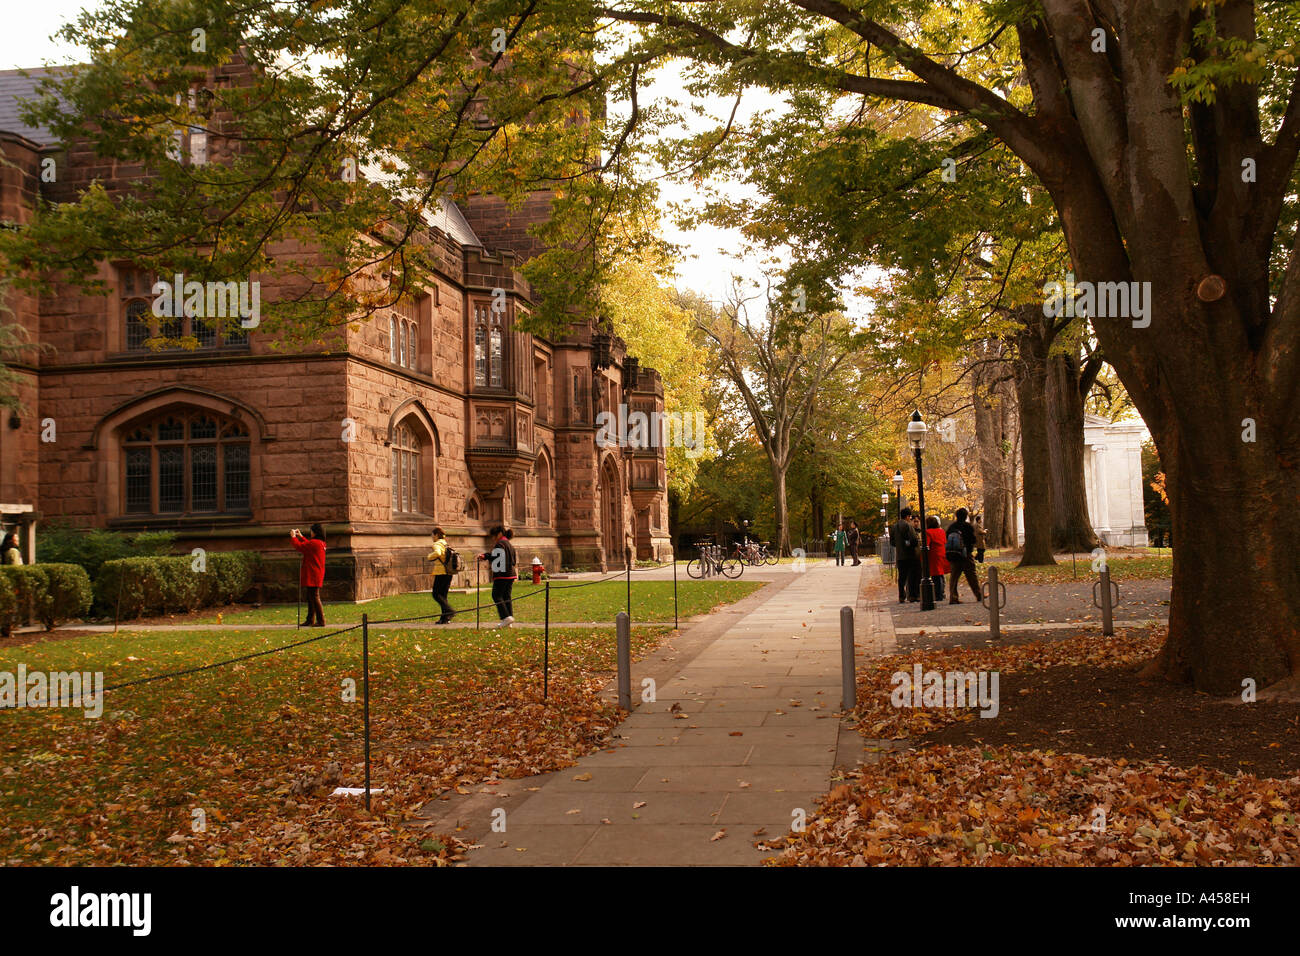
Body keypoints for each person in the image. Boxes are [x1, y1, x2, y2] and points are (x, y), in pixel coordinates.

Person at [478, 525, 516, 626]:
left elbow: (496, 557)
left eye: (494, 536)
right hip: (511, 574)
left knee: (496, 595)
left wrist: (485, 556)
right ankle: (509, 618)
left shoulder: (500, 544)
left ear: (499, 534)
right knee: (506, 596)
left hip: (501, 574)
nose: (493, 538)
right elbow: (514, 560)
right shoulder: (509, 544)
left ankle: (505, 617)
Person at [290, 523, 327, 626]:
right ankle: (310, 619)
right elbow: (308, 545)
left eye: (311, 531)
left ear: (315, 532)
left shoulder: (315, 543)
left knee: (314, 596)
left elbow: (300, 547)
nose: (310, 533)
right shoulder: (320, 543)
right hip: (316, 572)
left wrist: (293, 537)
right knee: (311, 596)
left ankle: (321, 620)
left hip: (313, 573)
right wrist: (301, 536)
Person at [945, 508, 982, 604]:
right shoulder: (967, 526)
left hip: (954, 555)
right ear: (966, 516)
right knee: (971, 575)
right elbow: (973, 540)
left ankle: (953, 597)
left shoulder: (951, 527)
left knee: (954, 577)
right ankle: (978, 594)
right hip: (966, 555)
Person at [891, 507, 921, 602]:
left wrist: (900, 546)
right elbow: (914, 540)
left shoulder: (894, 527)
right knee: (912, 576)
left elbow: (892, 542)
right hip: (911, 555)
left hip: (900, 555)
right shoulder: (908, 526)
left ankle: (901, 596)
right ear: (908, 516)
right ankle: (913, 596)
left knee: (902, 577)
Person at [427, 526, 454, 624]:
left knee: (436, 594)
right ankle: (444, 618)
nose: (432, 537)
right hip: (449, 572)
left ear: (436, 535)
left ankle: (449, 611)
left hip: (441, 572)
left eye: (432, 535)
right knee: (443, 595)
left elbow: (437, 553)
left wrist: (429, 557)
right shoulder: (446, 544)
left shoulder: (437, 544)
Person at [924, 516, 949, 602]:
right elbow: (945, 541)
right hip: (942, 553)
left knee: (935, 575)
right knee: (941, 574)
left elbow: (926, 544)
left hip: (934, 554)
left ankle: (938, 594)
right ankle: (942, 592)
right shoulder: (941, 531)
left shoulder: (928, 532)